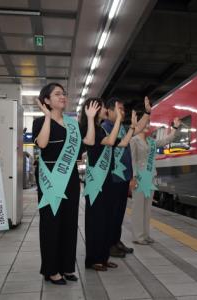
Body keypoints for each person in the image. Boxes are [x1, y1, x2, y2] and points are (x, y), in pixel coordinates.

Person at [33, 83, 99, 284]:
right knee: (51, 223)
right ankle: (51, 270)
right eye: (57, 94)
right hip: (50, 177)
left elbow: (88, 142)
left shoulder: (72, 124)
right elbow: (42, 144)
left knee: (69, 223)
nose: (63, 96)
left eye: (64, 93)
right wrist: (46, 116)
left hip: (69, 178)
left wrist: (89, 118)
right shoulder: (39, 121)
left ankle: (66, 267)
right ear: (46, 100)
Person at [79, 97, 136, 271]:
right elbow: (97, 142)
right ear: (93, 109)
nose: (105, 109)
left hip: (107, 183)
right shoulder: (91, 129)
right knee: (95, 222)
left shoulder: (101, 130)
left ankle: (103, 258)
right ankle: (93, 259)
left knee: (106, 221)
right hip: (96, 182)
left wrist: (132, 127)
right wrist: (92, 118)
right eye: (102, 106)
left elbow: (122, 143)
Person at [101, 97, 151, 257]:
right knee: (112, 213)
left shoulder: (122, 127)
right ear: (108, 111)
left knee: (119, 212)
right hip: (112, 177)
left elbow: (137, 129)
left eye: (123, 109)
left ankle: (116, 241)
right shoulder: (105, 127)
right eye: (118, 109)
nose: (122, 112)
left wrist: (147, 112)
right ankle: (109, 244)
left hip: (122, 177)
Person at [130, 117, 181, 244]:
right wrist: (133, 178)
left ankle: (146, 235)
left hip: (150, 177)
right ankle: (138, 237)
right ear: (138, 125)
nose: (147, 125)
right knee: (138, 208)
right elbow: (132, 160)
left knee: (147, 208)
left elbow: (166, 140)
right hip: (140, 178)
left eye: (148, 123)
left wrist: (174, 127)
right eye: (144, 123)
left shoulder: (151, 141)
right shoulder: (133, 140)